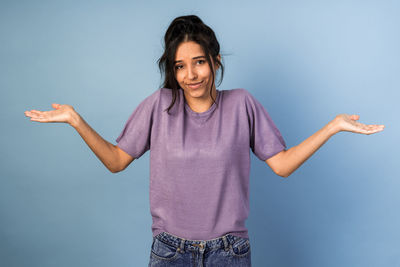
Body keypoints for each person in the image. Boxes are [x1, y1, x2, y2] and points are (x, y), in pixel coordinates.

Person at [24, 15, 384, 267]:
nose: (190, 74)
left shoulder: (242, 104)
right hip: (170, 253)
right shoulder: (159, 106)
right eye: (180, 66)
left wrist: (333, 126)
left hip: (230, 252)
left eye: (198, 62)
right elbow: (117, 161)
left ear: (214, 61)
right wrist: (75, 120)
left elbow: (282, 165)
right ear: (172, 70)